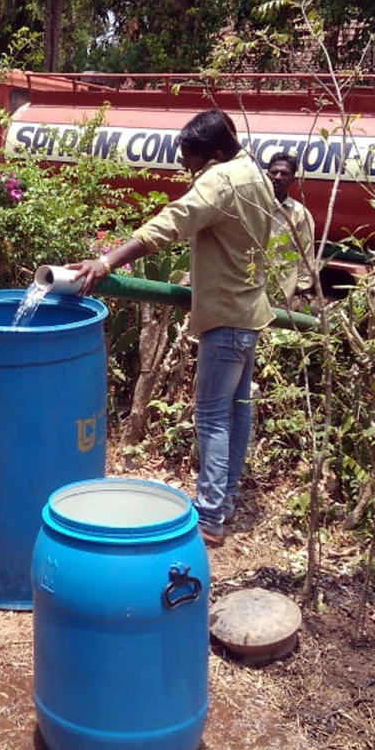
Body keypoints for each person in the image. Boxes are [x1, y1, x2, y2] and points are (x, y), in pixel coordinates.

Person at [69, 108, 276, 548]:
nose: (185, 167)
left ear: (215, 153)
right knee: (237, 411)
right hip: (250, 313)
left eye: (191, 159)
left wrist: (106, 261)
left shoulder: (220, 181)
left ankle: (209, 518)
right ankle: (226, 500)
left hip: (225, 317)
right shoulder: (255, 173)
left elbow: (170, 224)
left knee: (213, 417)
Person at [267, 152, 316, 307]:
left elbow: (306, 253)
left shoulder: (300, 214)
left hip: (281, 290)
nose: (278, 177)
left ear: (293, 180)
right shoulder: (252, 207)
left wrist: (303, 289)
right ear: (267, 175)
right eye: (274, 172)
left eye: (284, 174)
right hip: (250, 285)